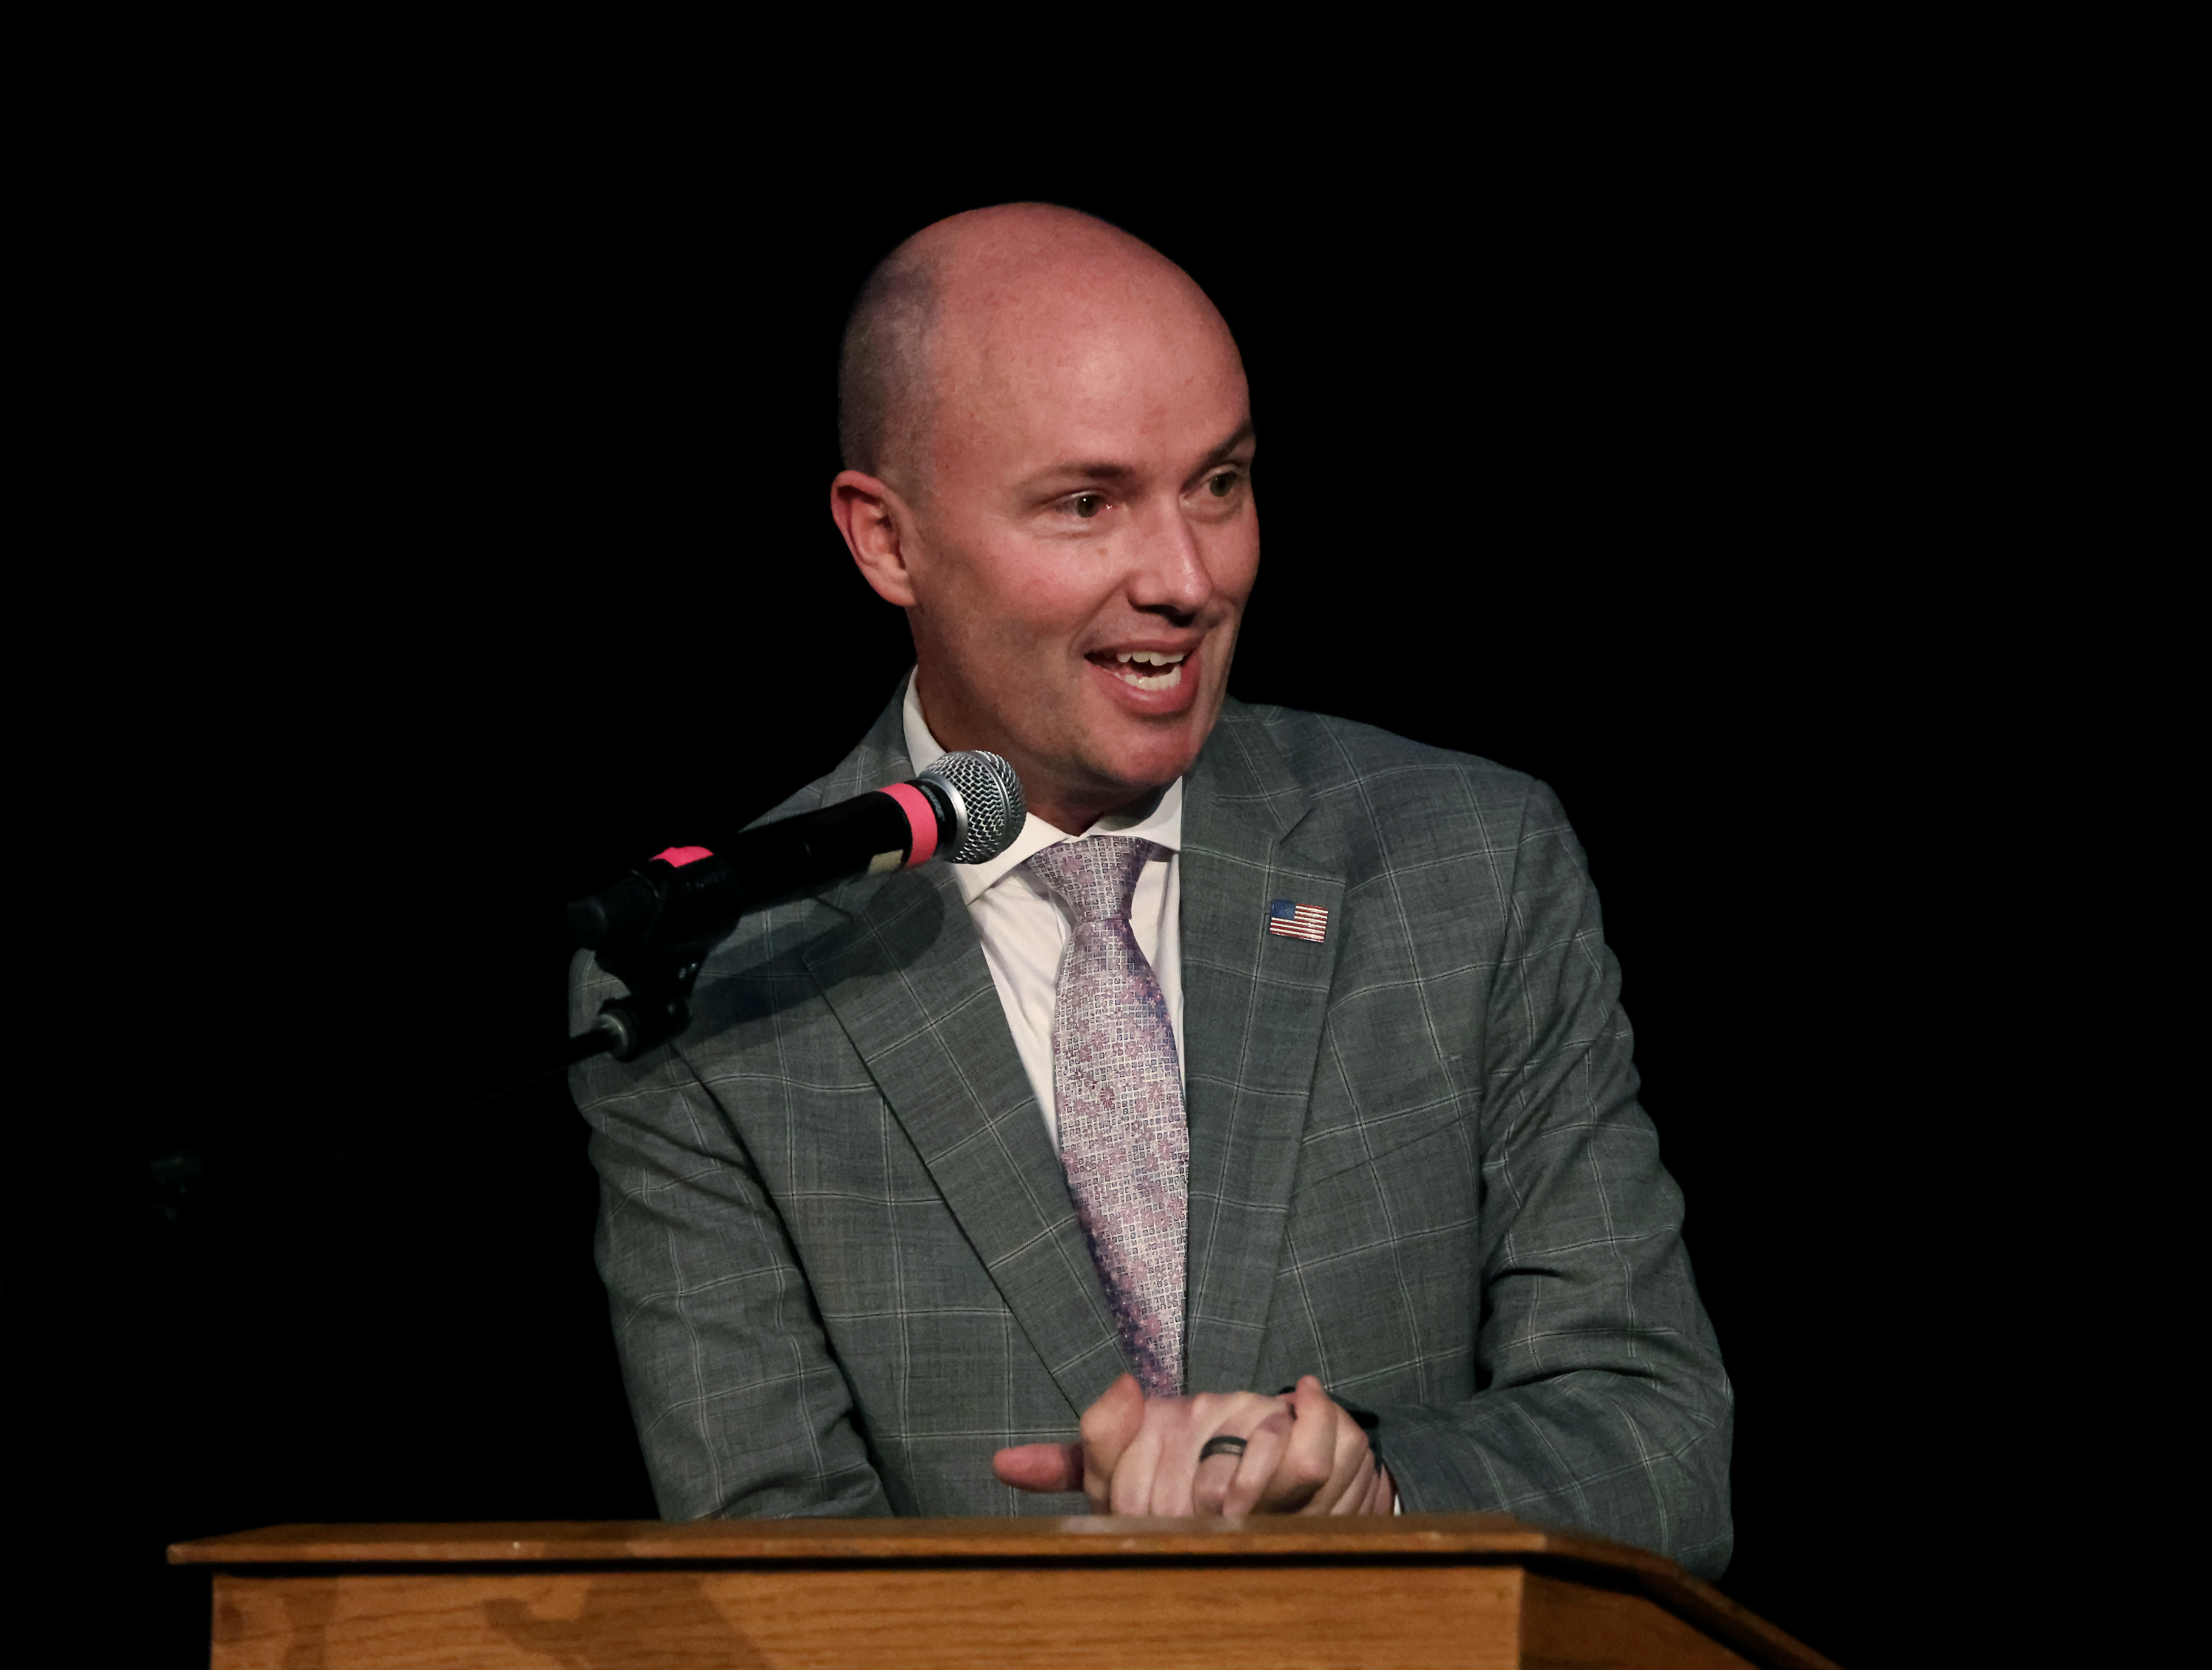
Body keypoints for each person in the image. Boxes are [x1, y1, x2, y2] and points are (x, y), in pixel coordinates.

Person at [568, 203, 1733, 1576]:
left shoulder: (1469, 865)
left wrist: (1381, 1497)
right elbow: (770, 1595)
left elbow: (1662, 1452)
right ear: (887, 541)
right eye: (1088, 502)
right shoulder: (717, 975)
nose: (1187, 578)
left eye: (1221, 484)